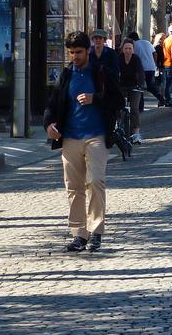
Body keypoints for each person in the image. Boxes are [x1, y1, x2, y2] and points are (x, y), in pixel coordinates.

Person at [44, 31, 124, 253]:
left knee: (95, 181)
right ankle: (79, 234)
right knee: (74, 187)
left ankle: (96, 231)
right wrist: (49, 125)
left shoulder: (101, 73)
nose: (74, 57)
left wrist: (94, 98)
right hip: (70, 137)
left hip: (96, 135)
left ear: (87, 50)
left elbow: (118, 100)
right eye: (71, 53)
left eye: (78, 52)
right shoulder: (66, 75)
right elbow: (52, 105)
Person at [116, 39, 145, 143]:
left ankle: (136, 133)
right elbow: (115, 72)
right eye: (126, 48)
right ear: (122, 49)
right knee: (118, 106)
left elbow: (141, 73)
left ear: (133, 50)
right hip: (121, 85)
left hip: (134, 86)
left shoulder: (136, 59)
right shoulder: (118, 59)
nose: (128, 50)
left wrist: (140, 85)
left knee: (134, 109)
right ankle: (118, 127)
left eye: (130, 48)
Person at [128, 31, 160, 110]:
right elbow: (155, 54)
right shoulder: (147, 42)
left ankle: (140, 106)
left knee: (139, 86)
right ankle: (161, 98)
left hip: (142, 69)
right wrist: (154, 63)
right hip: (151, 67)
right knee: (150, 86)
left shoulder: (134, 45)